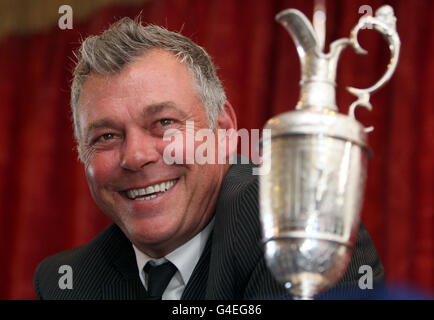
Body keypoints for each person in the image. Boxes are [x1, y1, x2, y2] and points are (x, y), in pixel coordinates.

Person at [34, 17, 385, 300]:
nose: (136, 156)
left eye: (164, 123)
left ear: (223, 129)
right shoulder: (66, 283)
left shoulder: (294, 227)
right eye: (106, 136)